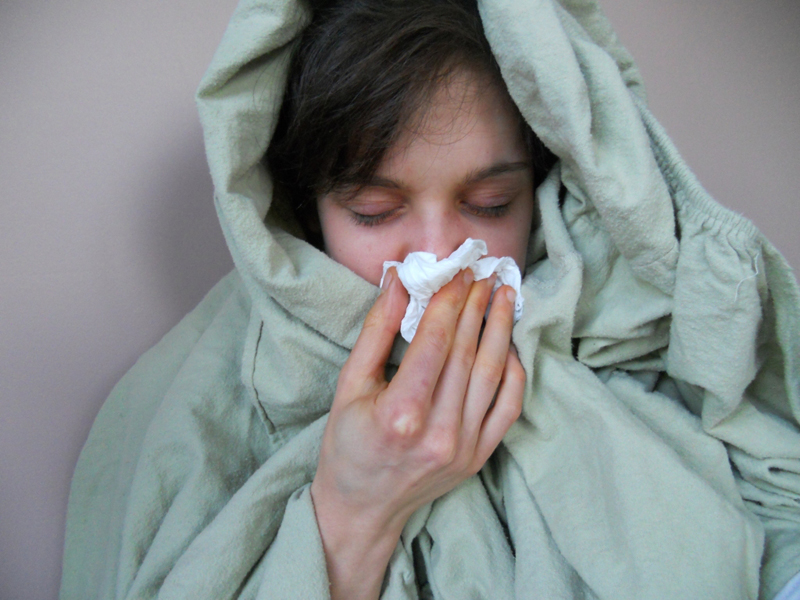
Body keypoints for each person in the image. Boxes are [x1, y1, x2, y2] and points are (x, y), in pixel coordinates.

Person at [61, 0, 800, 598]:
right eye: (375, 211)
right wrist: (354, 511)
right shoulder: (187, 405)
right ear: (305, 210)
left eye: (489, 202)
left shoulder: (648, 333)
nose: (442, 256)